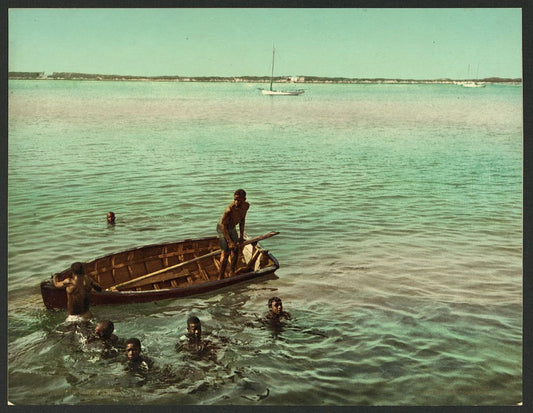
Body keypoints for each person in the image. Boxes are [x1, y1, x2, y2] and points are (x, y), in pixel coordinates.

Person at [217, 189, 250, 279]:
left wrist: (241, 236)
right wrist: (229, 242)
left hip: (232, 228)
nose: (236, 202)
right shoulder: (229, 209)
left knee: (235, 250)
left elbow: (242, 220)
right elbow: (223, 225)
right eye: (235, 199)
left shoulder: (246, 206)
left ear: (244, 199)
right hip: (222, 228)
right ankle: (220, 276)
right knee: (226, 252)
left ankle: (232, 272)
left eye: (239, 200)